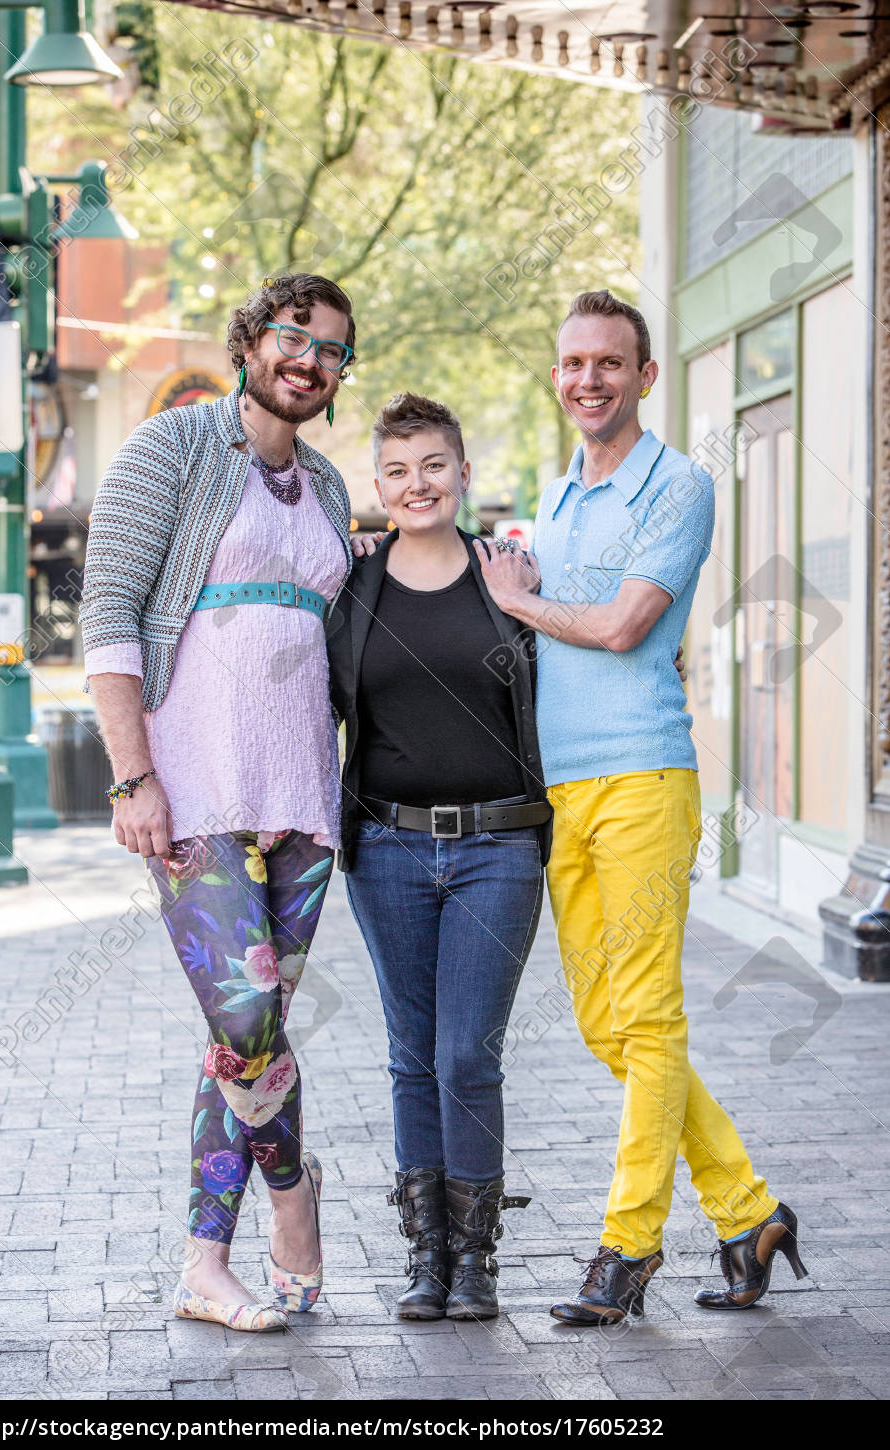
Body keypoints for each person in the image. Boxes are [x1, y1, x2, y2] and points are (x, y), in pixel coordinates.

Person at [473, 289, 808, 1325]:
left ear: (645, 377)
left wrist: (517, 600)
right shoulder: (560, 493)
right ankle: (749, 1212)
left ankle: (625, 1247)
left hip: (645, 780)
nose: (587, 379)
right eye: (573, 362)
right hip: (560, 787)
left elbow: (621, 627)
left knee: (650, 1017)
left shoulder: (681, 485)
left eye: (609, 363)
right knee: (609, 1027)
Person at [80, 273, 356, 1332]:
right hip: (193, 793)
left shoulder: (329, 488)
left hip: (303, 798)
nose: (308, 358)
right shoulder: (172, 450)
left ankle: (206, 1263)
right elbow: (107, 613)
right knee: (246, 1022)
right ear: (251, 341)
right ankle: (294, 1202)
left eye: (331, 348)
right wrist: (132, 775)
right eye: (293, 336)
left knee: (243, 1038)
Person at [327, 393, 553, 1321]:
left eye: (433, 466)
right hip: (385, 846)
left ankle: (479, 1261)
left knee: (468, 1053)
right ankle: (428, 1259)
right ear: (378, 486)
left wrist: (531, 600)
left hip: (497, 848)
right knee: (410, 1055)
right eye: (396, 470)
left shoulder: (508, 580)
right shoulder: (353, 587)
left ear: (462, 472)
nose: (416, 484)